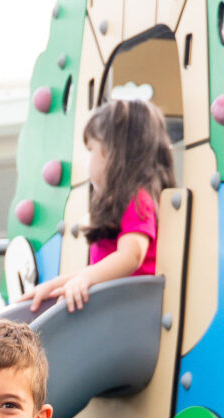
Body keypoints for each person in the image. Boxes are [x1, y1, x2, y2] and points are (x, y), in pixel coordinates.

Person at [26, 95, 175, 313]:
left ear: (115, 154)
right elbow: (99, 269)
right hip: (116, 308)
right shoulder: (123, 203)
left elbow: (132, 256)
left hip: (132, 310)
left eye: (92, 151)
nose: (88, 163)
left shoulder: (139, 200)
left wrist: (86, 277)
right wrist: (53, 286)